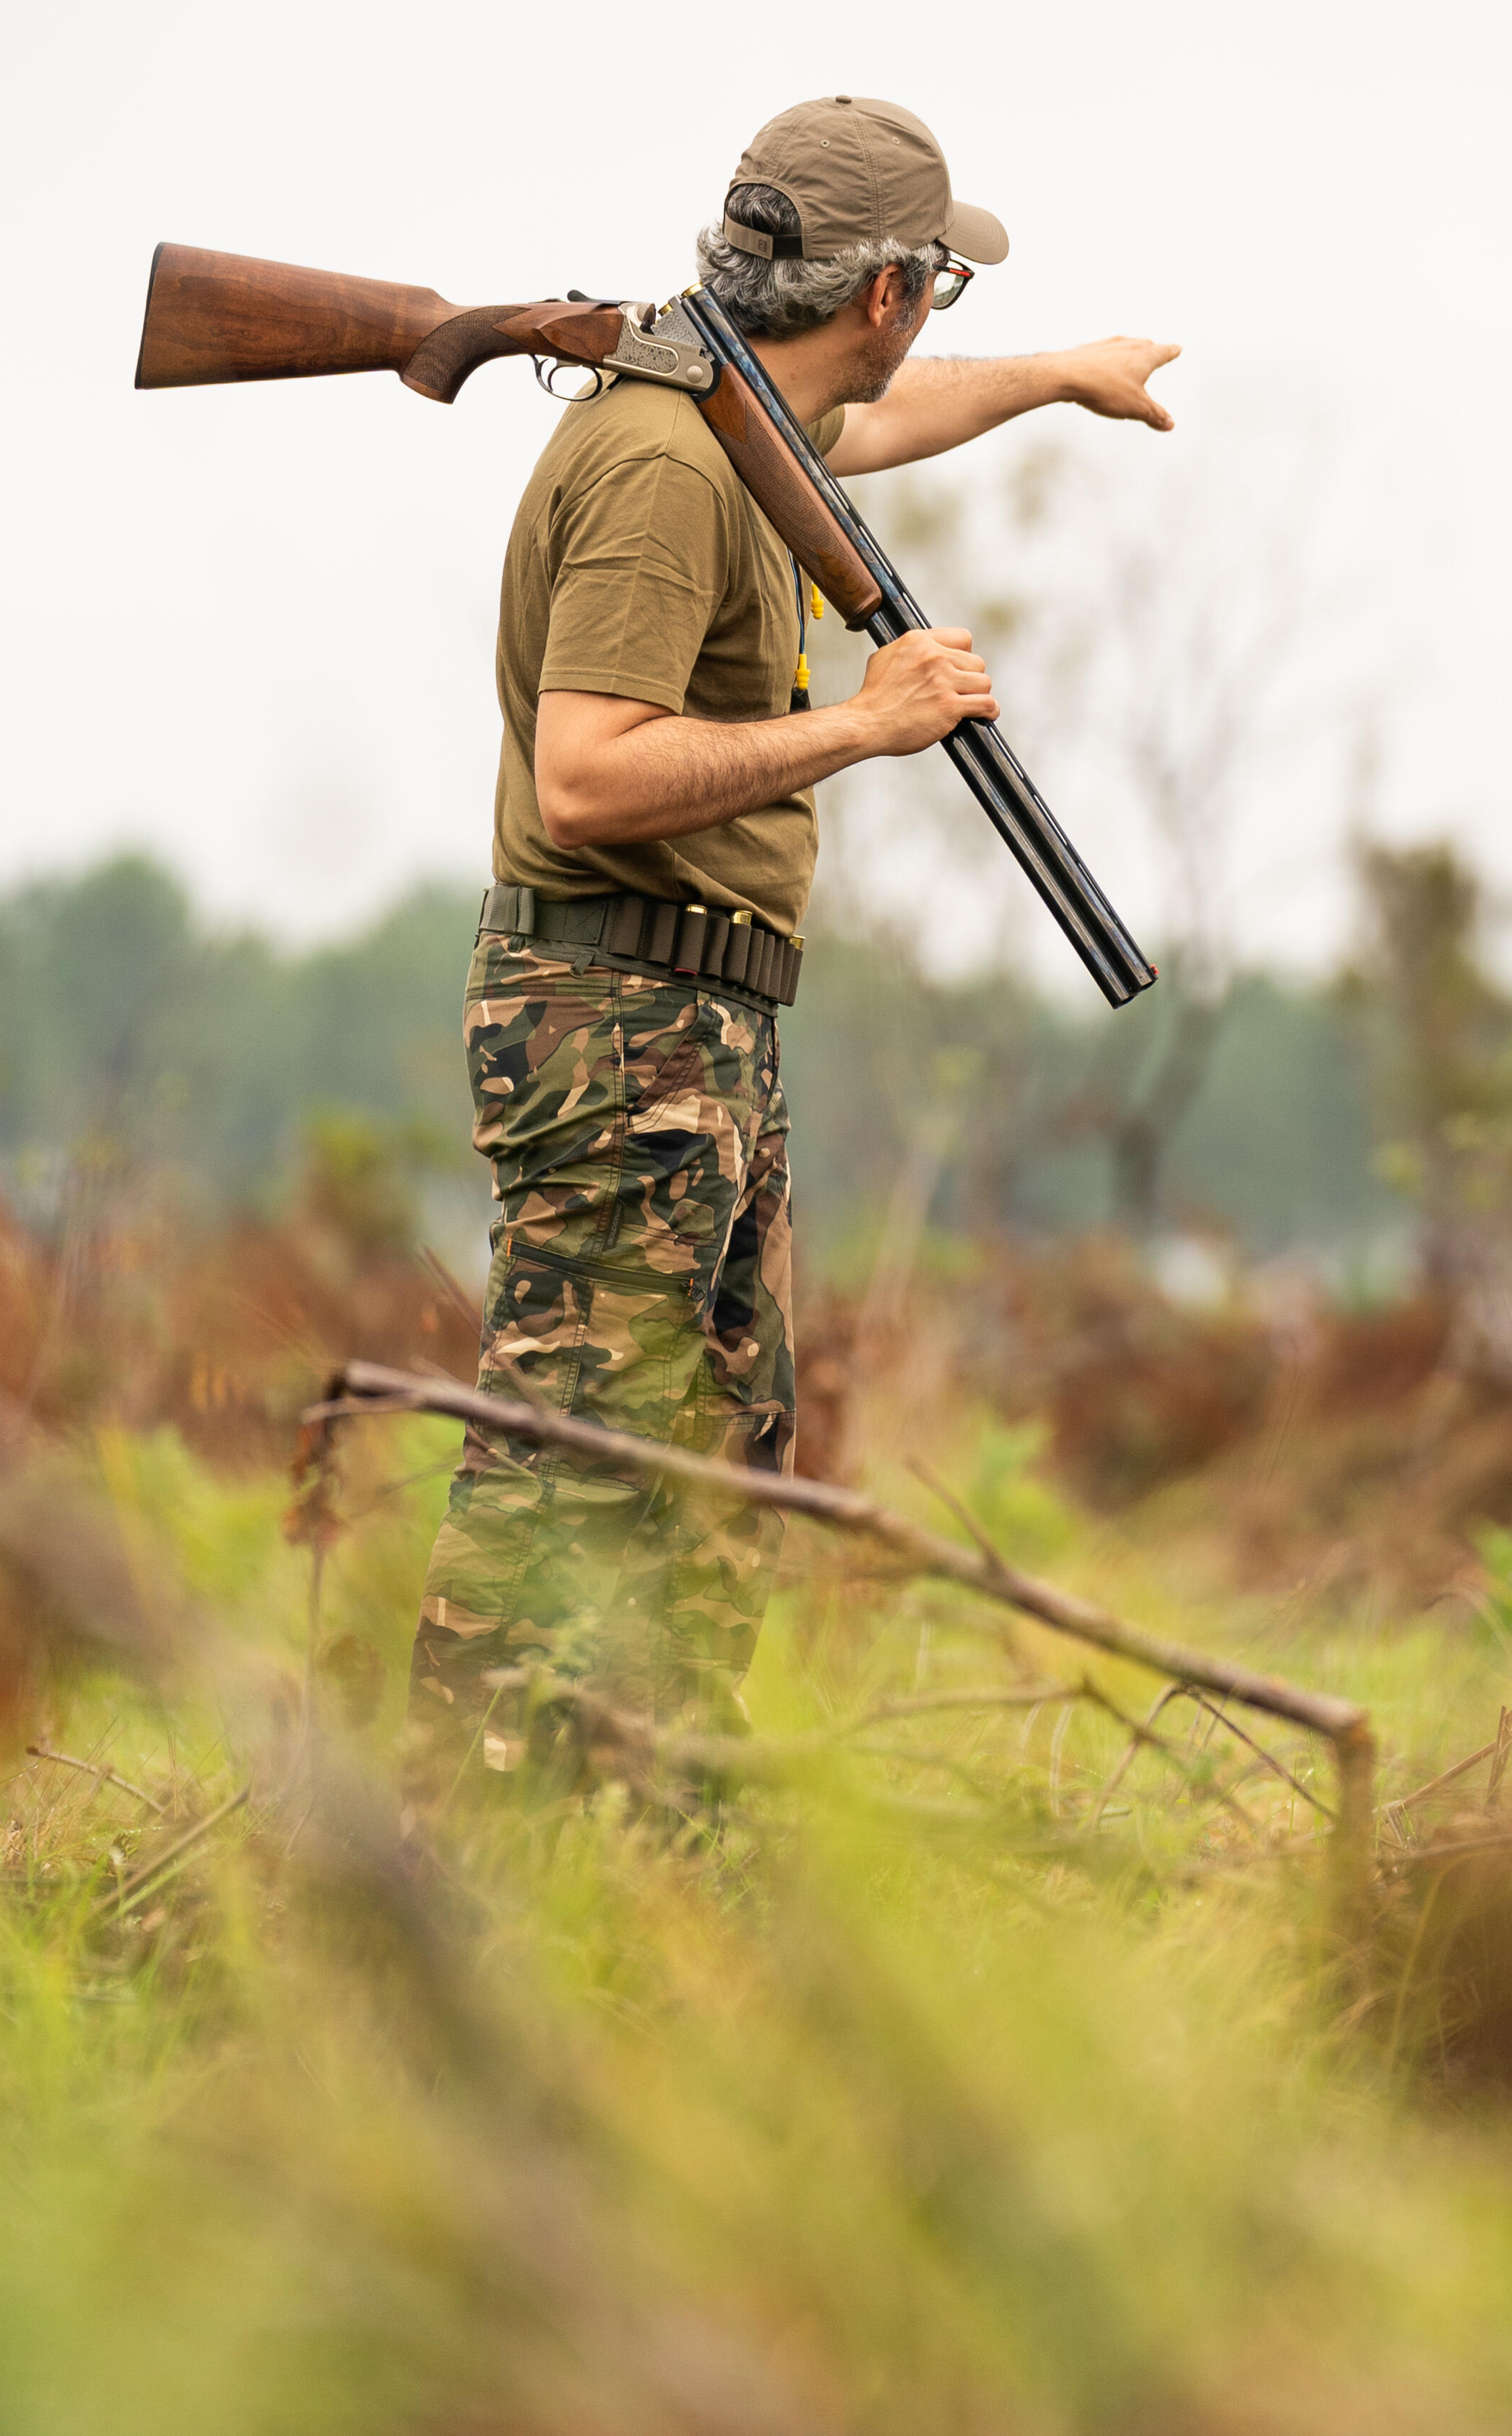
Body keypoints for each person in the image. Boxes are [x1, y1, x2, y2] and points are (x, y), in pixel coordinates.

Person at [416, 94, 1180, 1769]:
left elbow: (875, 432)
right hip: (616, 1017)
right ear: (890, 294)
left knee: (708, 1460)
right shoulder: (663, 467)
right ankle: (446, 1857)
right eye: (936, 290)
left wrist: (1060, 373)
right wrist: (863, 720)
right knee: (563, 1464)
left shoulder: (734, 414)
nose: (930, 327)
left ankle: (643, 1825)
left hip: (688, 1028)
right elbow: (590, 773)